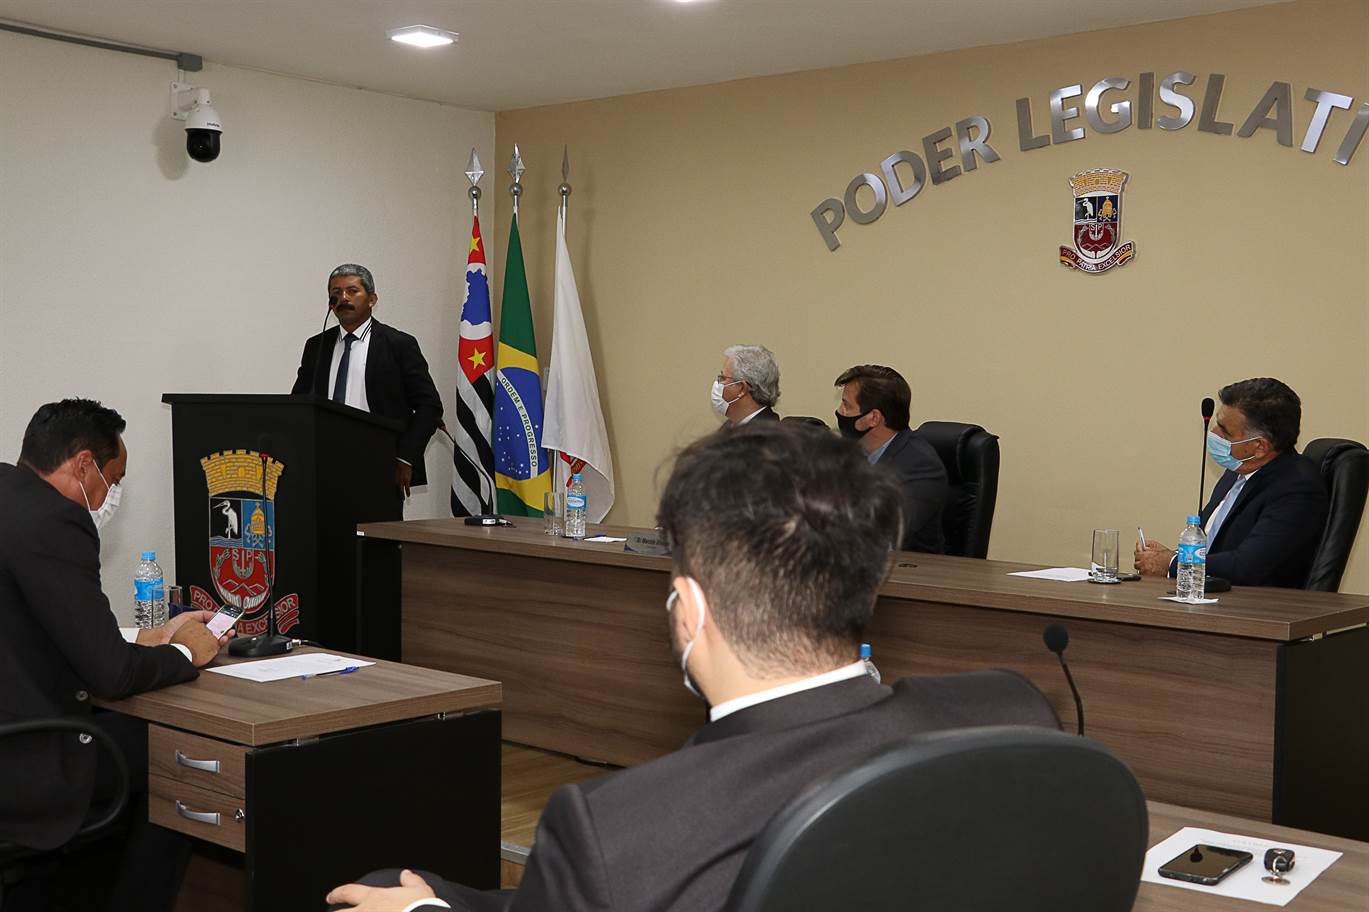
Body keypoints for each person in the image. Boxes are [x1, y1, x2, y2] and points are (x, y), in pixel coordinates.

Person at [327, 422, 1057, 912]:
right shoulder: (1011, 710)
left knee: (384, 888)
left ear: (688, 608)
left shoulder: (615, 827)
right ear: (868, 586)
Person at [0, 398, 230, 912]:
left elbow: (35, 630)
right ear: (84, 465)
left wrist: (148, 640)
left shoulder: (8, 498)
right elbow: (112, 675)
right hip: (23, 763)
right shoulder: (56, 521)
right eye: (114, 479)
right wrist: (184, 653)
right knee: (179, 761)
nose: (111, 497)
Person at [1135, 377, 1329, 588]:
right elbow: (1216, 550)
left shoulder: (1297, 488)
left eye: (1224, 430)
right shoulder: (1238, 470)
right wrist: (1168, 556)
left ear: (1259, 447)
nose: (1213, 434)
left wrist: (1172, 564)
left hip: (1252, 604)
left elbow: (1247, 567)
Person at [292, 263, 444, 497]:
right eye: (336, 293)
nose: (343, 298)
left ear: (372, 299)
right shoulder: (316, 346)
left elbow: (429, 406)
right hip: (323, 463)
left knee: (376, 522)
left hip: (382, 463)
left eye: (352, 291)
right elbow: (299, 403)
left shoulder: (398, 344)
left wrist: (405, 457)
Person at [833, 364, 949, 553]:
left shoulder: (921, 466)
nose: (840, 411)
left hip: (905, 568)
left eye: (847, 405)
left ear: (874, 418)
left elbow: (880, 533)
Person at [713, 344, 781, 427]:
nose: (718, 383)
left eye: (723, 378)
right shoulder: (730, 426)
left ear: (742, 389)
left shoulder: (768, 432)